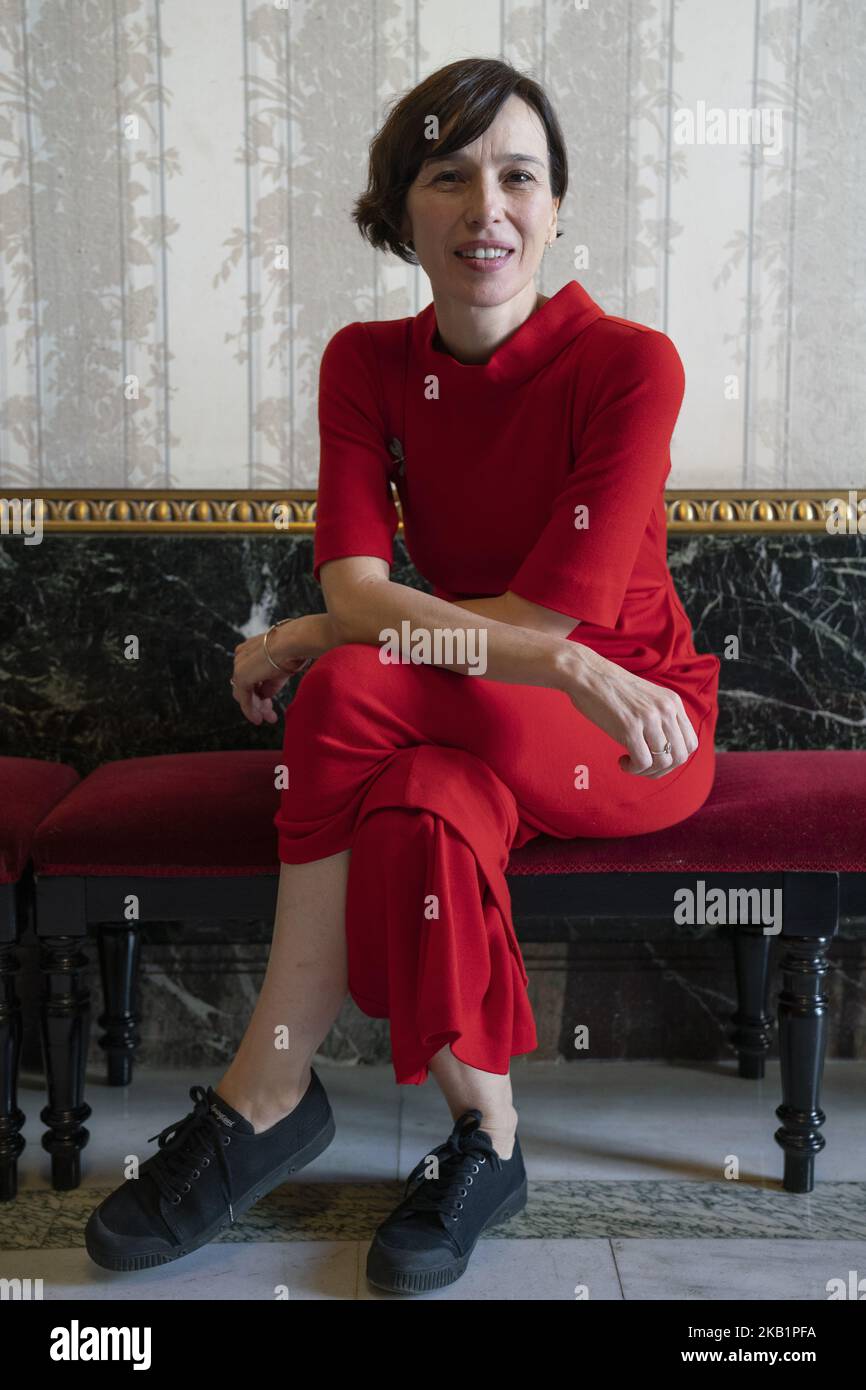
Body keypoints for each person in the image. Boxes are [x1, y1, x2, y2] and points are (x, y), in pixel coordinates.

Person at [85, 56, 720, 1295]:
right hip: (500, 699)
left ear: (552, 207)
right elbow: (368, 591)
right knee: (416, 797)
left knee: (351, 689)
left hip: (631, 723)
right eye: (449, 175)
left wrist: (330, 639)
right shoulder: (367, 365)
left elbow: (521, 616)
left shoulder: (629, 364)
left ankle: (266, 1090)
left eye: (517, 175)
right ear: (402, 212)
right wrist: (382, 631)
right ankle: (488, 1137)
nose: (486, 203)